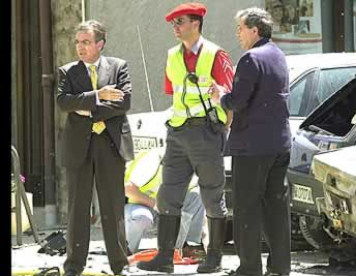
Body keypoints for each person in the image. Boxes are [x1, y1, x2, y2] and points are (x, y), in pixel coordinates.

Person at [136, 2, 234, 274]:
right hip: (178, 132)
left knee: (212, 196)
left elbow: (231, 95)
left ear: (196, 23)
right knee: (168, 195)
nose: (175, 28)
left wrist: (223, 126)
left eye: (180, 22)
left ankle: (214, 258)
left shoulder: (216, 54)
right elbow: (174, 92)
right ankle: (165, 258)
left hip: (206, 132)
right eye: (173, 24)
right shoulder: (172, 55)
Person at [210, 7, 292, 276]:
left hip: (252, 147)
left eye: (240, 28)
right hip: (280, 144)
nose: (238, 33)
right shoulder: (278, 55)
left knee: (246, 210)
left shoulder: (250, 58)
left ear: (254, 30)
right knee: (277, 210)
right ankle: (280, 268)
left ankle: (249, 269)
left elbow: (237, 101)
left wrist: (220, 96)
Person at [56, 20, 134, 276]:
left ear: (100, 44)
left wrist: (85, 109)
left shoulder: (118, 67)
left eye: (86, 42)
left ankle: (120, 265)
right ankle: (74, 266)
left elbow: (124, 103)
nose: (80, 47)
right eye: (78, 42)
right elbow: (64, 102)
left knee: (113, 208)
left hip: (110, 146)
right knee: (78, 208)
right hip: (79, 148)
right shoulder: (67, 71)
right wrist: (99, 95)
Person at [124, 148, 206, 255]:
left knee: (197, 195)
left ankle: (181, 247)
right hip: (138, 207)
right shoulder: (153, 160)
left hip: (166, 214)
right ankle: (127, 250)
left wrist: (204, 236)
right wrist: (156, 204)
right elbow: (128, 189)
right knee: (141, 217)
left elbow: (197, 205)